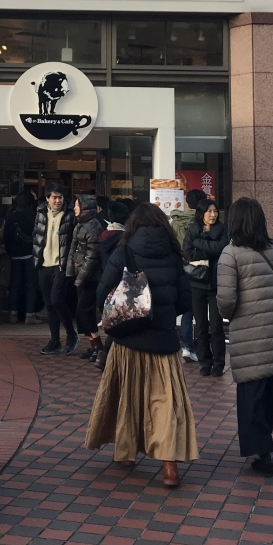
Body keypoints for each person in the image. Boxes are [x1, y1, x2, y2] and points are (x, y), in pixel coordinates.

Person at [85, 203, 198, 487]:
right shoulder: (172, 254)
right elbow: (185, 299)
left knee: (128, 397)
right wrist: (164, 313)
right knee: (164, 403)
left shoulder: (124, 251)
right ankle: (169, 466)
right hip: (164, 341)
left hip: (128, 340)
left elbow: (103, 293)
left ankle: (125, 452)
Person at [216, 197, 273, 476]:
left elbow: (226, 301)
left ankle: (263, 452)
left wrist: (232, 313)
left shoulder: (230, 254)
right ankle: (264, 445)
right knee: (269, 389)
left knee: (250, 393)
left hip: (250, 331)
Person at [183, 199, 228, 377]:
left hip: (216, 282)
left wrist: (199, 243)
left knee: (216, 326)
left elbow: (222, 248)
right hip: (196, 282)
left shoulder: (223, 229)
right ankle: (205, 362)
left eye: (215, 211)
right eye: (209, 211)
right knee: (200, 325)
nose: (213, 214)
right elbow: (187, 251)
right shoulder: (193, 229)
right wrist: (209, 250)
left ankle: (219, 363)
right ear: (201, 213)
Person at [32, 185, 77, 355]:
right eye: (54, 197)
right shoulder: (41, 213)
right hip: (44, 264)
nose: (58, 201)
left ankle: (71, 335)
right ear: (47, 199)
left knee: (57, 300)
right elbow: (36, 235)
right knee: (50, 305)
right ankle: (55, 340)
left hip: (61, 265)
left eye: (60, 197)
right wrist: (36, 258)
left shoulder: (70, 214)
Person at [83, 201, 128, 361]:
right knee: (120, 320)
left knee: (112, 319)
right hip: (122, 283)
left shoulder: (103, 235)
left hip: (106, 280)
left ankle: (101, 351)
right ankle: (105, 354)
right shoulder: (125, 238)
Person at [68, 194, 104, 352]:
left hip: (91, 277)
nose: (75, 208)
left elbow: (92, 256)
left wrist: (80, 278)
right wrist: (71, 272)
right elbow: (73, 250)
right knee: (82, 311)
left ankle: (98, 346)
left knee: (85, 310)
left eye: (77, 205)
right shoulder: (80, 224)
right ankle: (93, 345)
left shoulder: (93, 227)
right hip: (81, 275)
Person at [4, 193, 38, 323]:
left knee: (14, 285)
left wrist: (10, 252)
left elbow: (6, 237)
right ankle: (30, 314)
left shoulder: (11, 217)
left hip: (15, 254)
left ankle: (12, 314)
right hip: (30, 253)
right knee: (30, 285)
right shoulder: (34, 216)